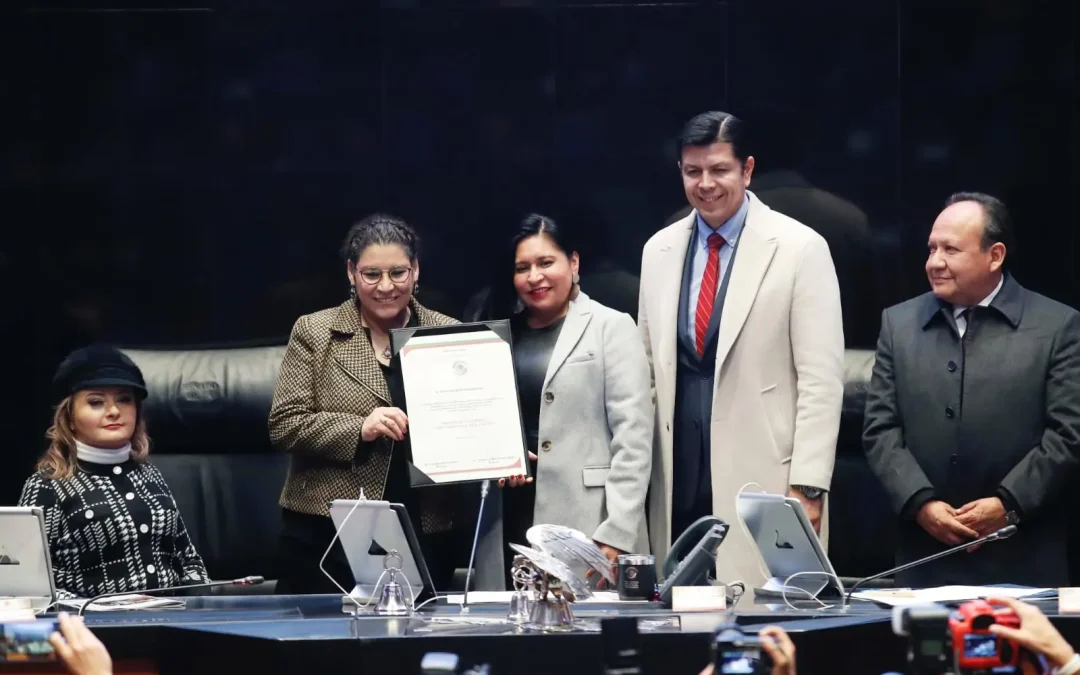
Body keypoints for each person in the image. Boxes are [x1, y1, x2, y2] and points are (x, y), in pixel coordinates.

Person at [638, 111, 844, 588]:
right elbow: (647, 369)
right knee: (679, 621)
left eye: (719, 170)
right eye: (693, 172)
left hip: (764, 472)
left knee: (762, 622)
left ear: (747, 170)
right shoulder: (658, 250)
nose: (705, 184)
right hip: (676, 472)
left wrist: (809, 485)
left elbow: (821, 379)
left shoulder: (800, 248)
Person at [863, 192, 1080, 588]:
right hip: (924, 554)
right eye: (931, 248)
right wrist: (920, 503)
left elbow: (1068, 434)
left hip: (1022, 554)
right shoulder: (899, 324)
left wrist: (1008, 505)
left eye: (950, 249)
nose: (934, 262)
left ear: (994, 256)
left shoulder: (1058, 327)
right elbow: (880, 430)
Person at [269, 213, 463, 595]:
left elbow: (473, 416)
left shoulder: (450, 334)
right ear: (351, 273)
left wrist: (500, 451)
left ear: (416, 270)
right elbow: (284, 423)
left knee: (412, 648)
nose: (386, 286)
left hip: (427, 524)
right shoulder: (314, 331)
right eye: (372, 274)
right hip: (327, 530)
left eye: (398, 273)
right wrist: (359, 427)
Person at [474, 214, 653, 587]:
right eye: (522, 268)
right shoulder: (495, 333)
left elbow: (633, 439)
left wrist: (618, 531)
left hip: (588, 520)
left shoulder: (611, 326)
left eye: (545, 263)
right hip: (508, 514)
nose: (534, 277)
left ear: (573, 263)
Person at [18, 346, 208, 599]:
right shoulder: (47, 486)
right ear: (70, 418)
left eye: (124, 399)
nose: (114, 411)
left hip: (173, 619)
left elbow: (188, 559)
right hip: (94, 628)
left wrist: (201, 601)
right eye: (96, 402)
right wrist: (89, 612)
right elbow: (28, 585)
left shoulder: (150, 474)